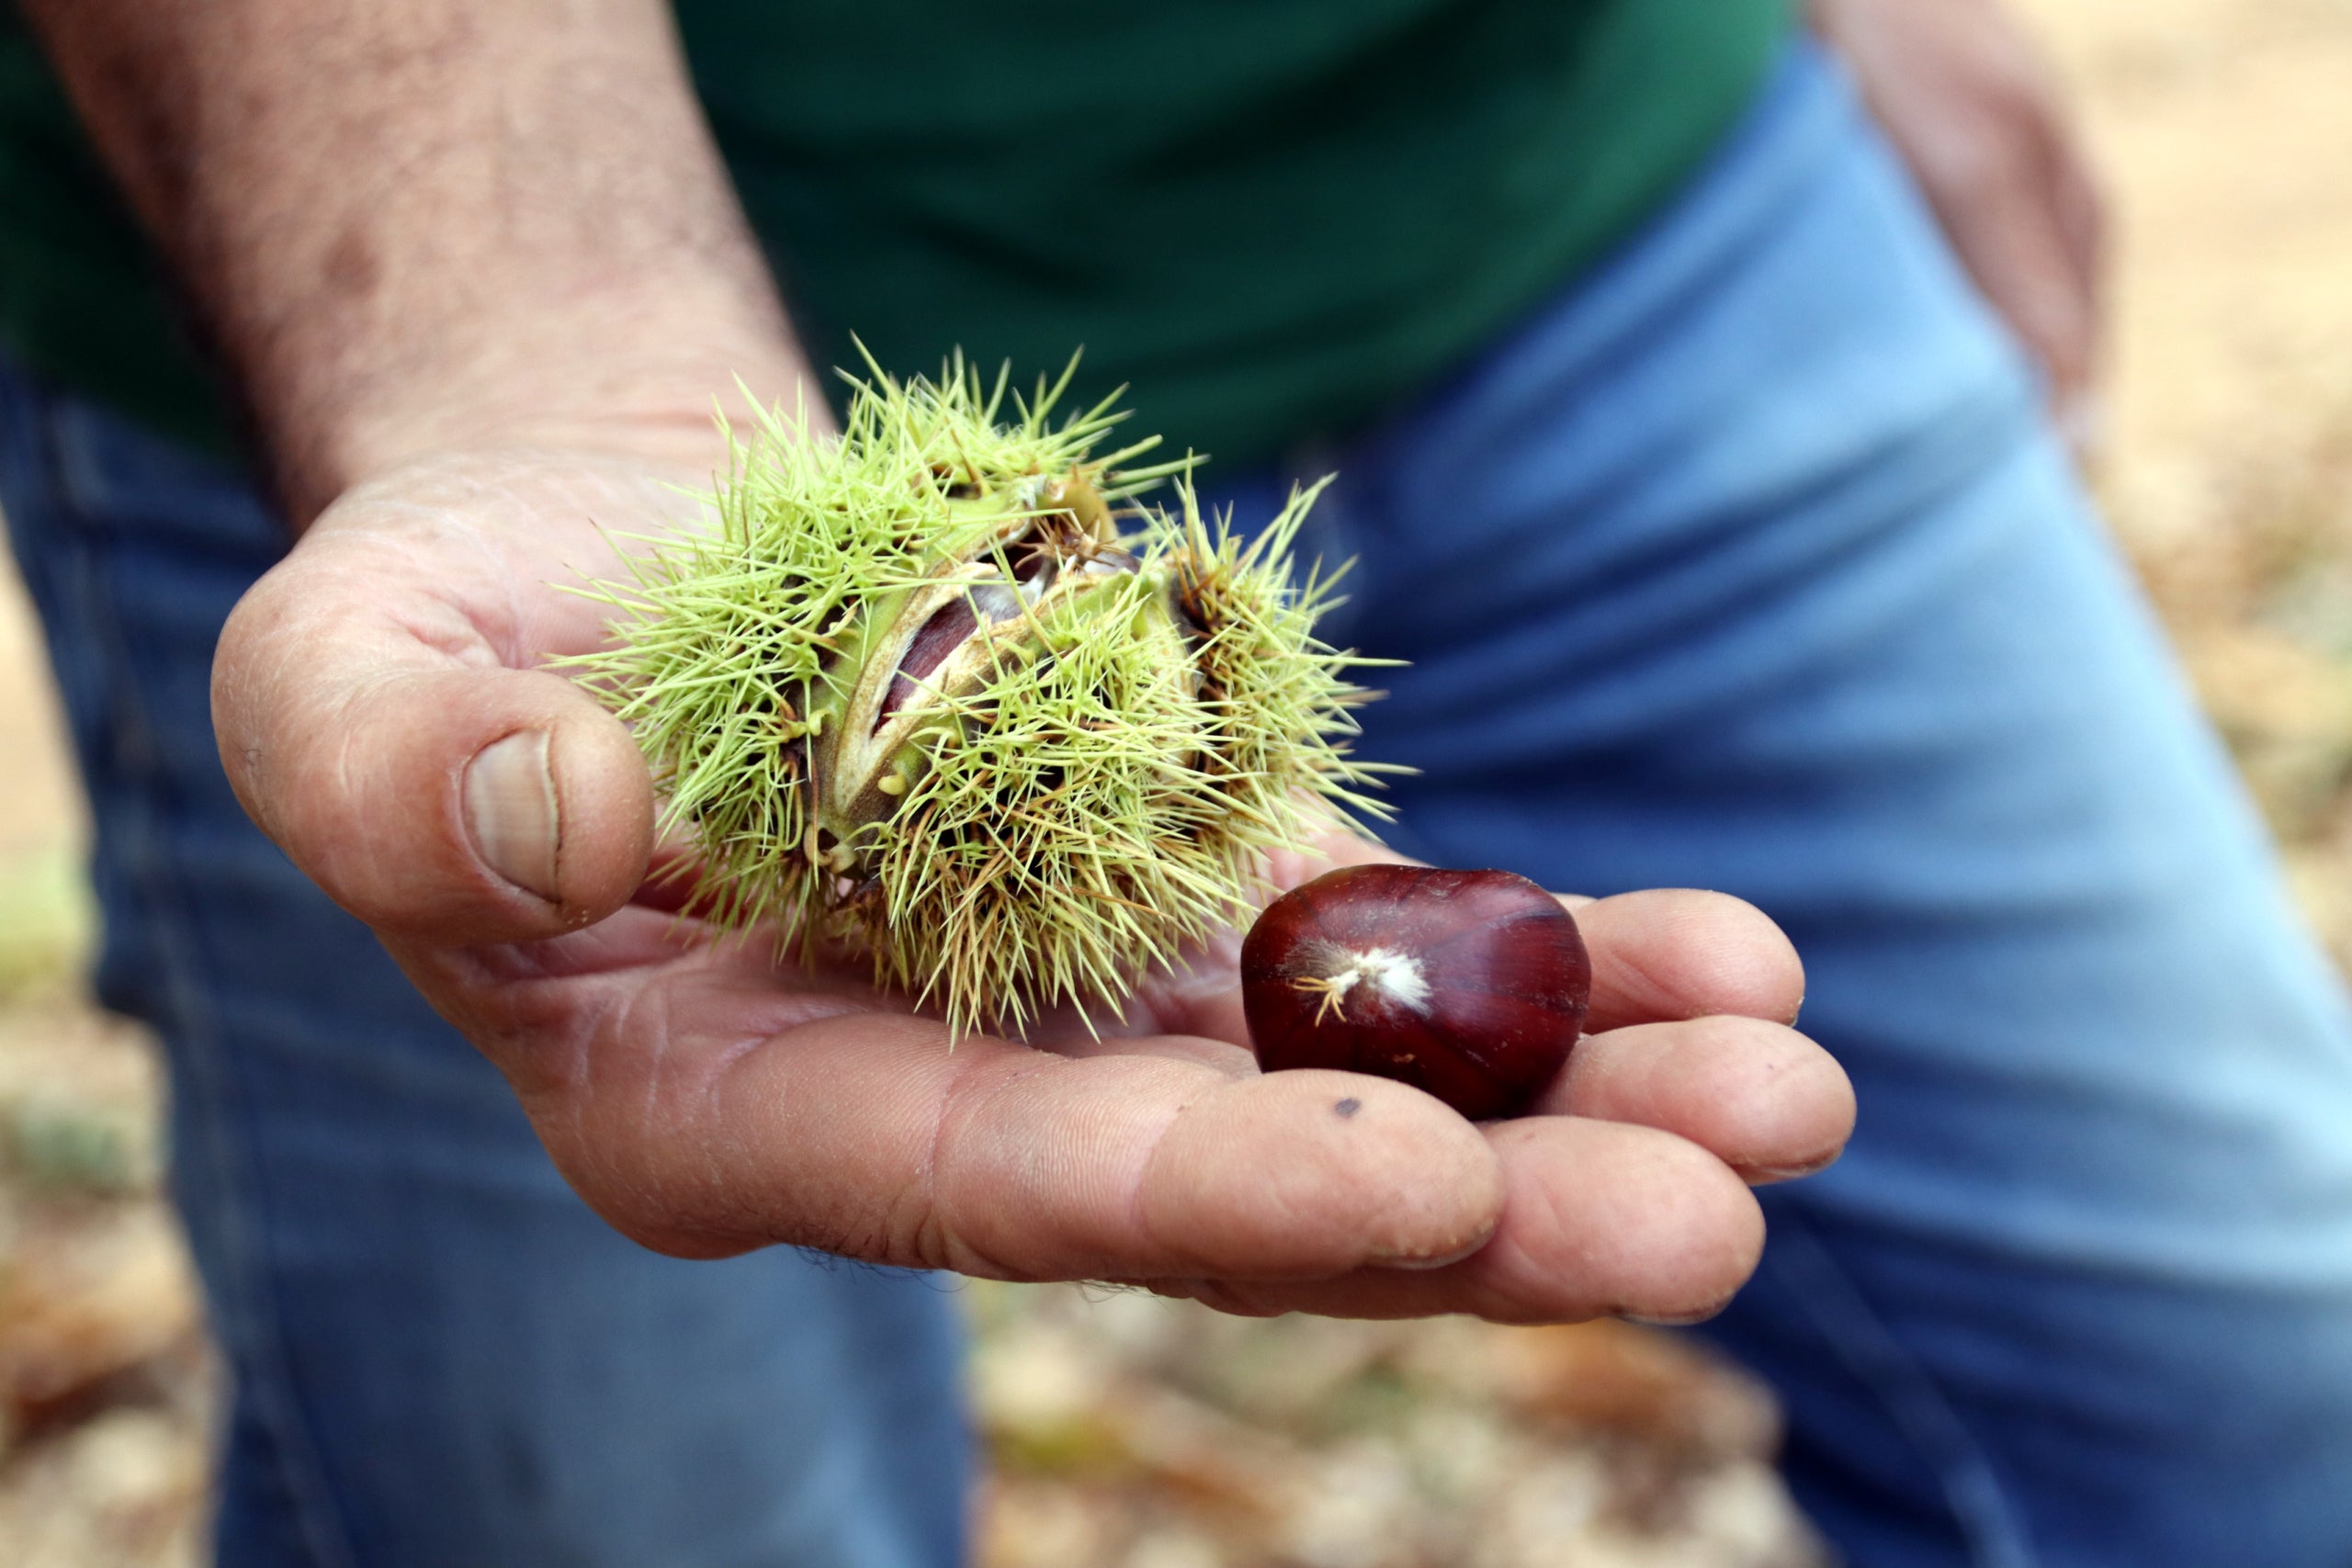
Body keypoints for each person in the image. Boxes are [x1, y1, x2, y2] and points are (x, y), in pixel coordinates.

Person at [0, 2, 2346, 1565]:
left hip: (1589, 186)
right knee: (614, 1513)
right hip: (385, 303)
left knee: (2255, 1379)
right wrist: (509, 330)